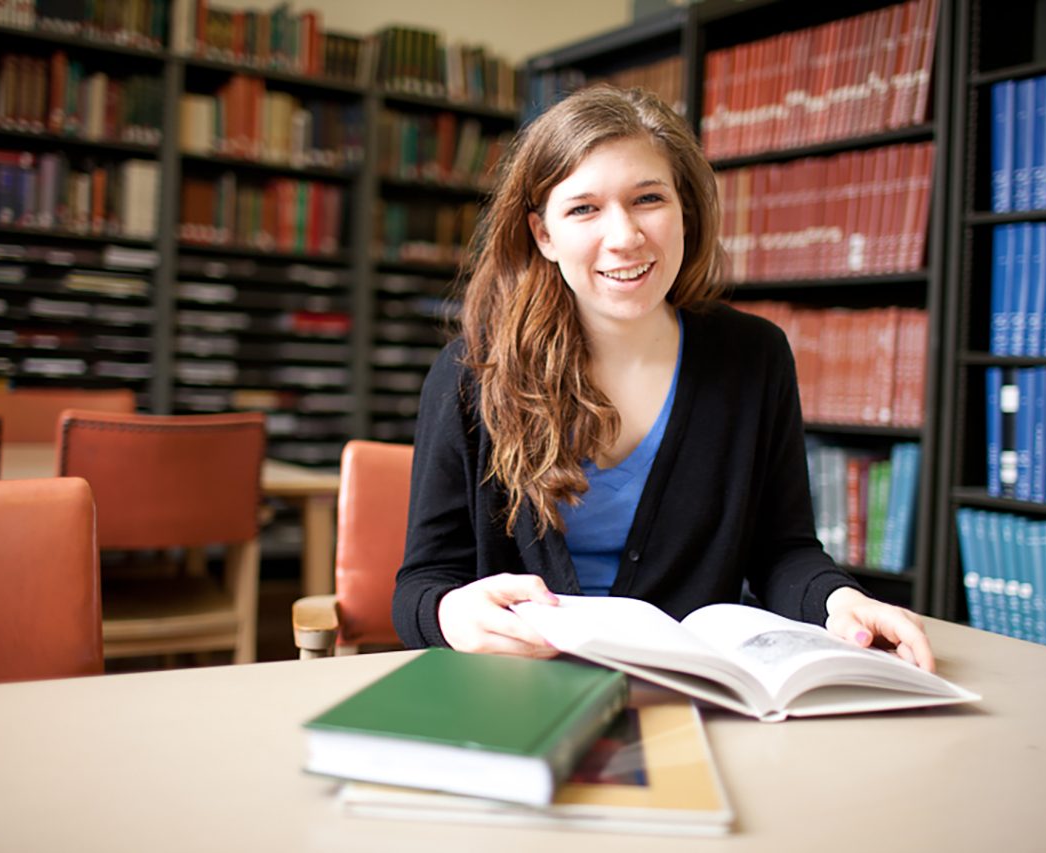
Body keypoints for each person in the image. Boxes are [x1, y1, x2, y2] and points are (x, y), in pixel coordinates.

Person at [391, 85, 935, 671]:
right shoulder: (472, 373)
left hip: (695, 691)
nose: (624, 236)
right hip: (518, 688)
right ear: (543, 235)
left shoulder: (754, 356)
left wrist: (839, 601)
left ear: (684, 210)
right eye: (583, 209)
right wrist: (452, 613)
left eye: (647, 198)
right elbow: (422, 585)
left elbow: (783, 551)